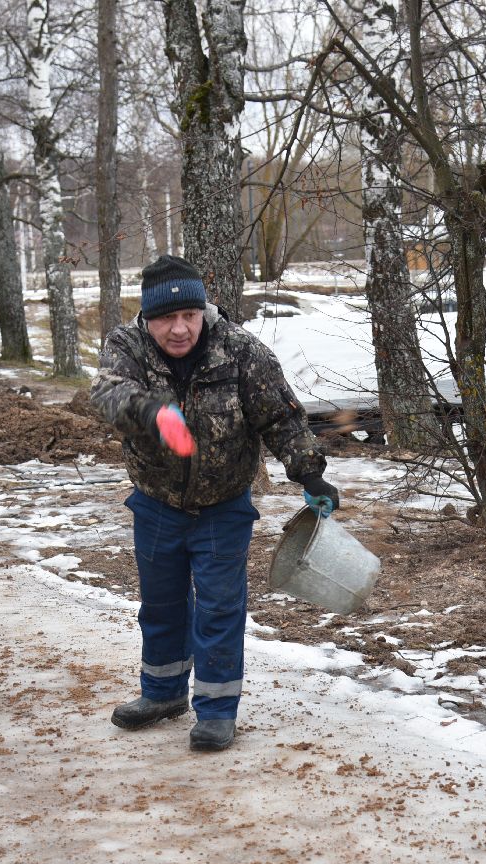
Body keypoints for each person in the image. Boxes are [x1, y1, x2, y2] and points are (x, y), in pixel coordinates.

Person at [91, 255, 341, 751]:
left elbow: (281, 417)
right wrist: (152, 412)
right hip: (156, 502)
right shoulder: (127, 345)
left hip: (223, 507)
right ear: (149, 317)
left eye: (190, 315)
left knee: (218, 609)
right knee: (160, 607)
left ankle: (217, 710)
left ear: (204, 309)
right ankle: (161, 693)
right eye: (167, 318)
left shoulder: (240, 349)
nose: (180, 329)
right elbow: (108, 394)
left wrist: (309, 474)